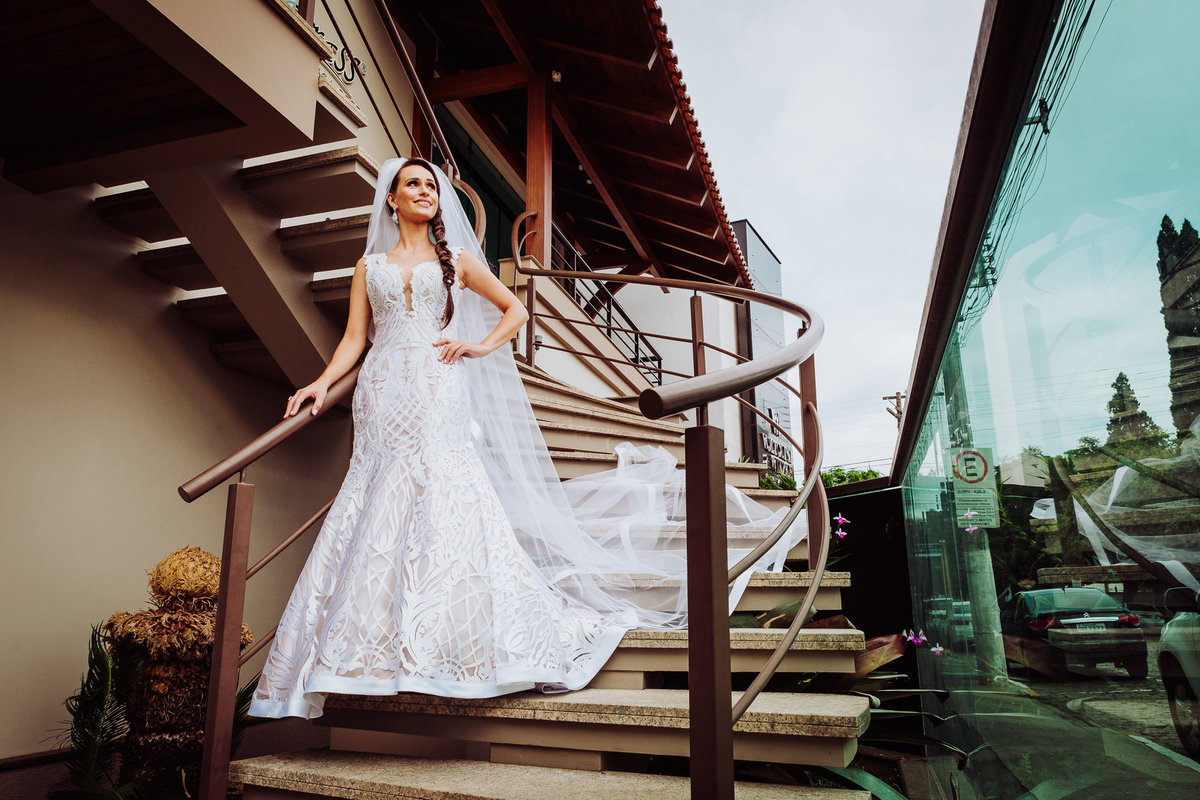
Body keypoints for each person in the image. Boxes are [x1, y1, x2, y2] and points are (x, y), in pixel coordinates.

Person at [248, 157, 799, 720]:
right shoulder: (368, 266)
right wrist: (321, 384)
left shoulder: (458, 261)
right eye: (413, 184)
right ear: (391, 198)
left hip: (437, 387)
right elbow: (354, 338)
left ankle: (448, 643)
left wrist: (480, 346)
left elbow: (514, 310)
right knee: (375, 501)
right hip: (382, 391)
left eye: (431, 185)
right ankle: (374, 650)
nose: (425, 191)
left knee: (444, 494)